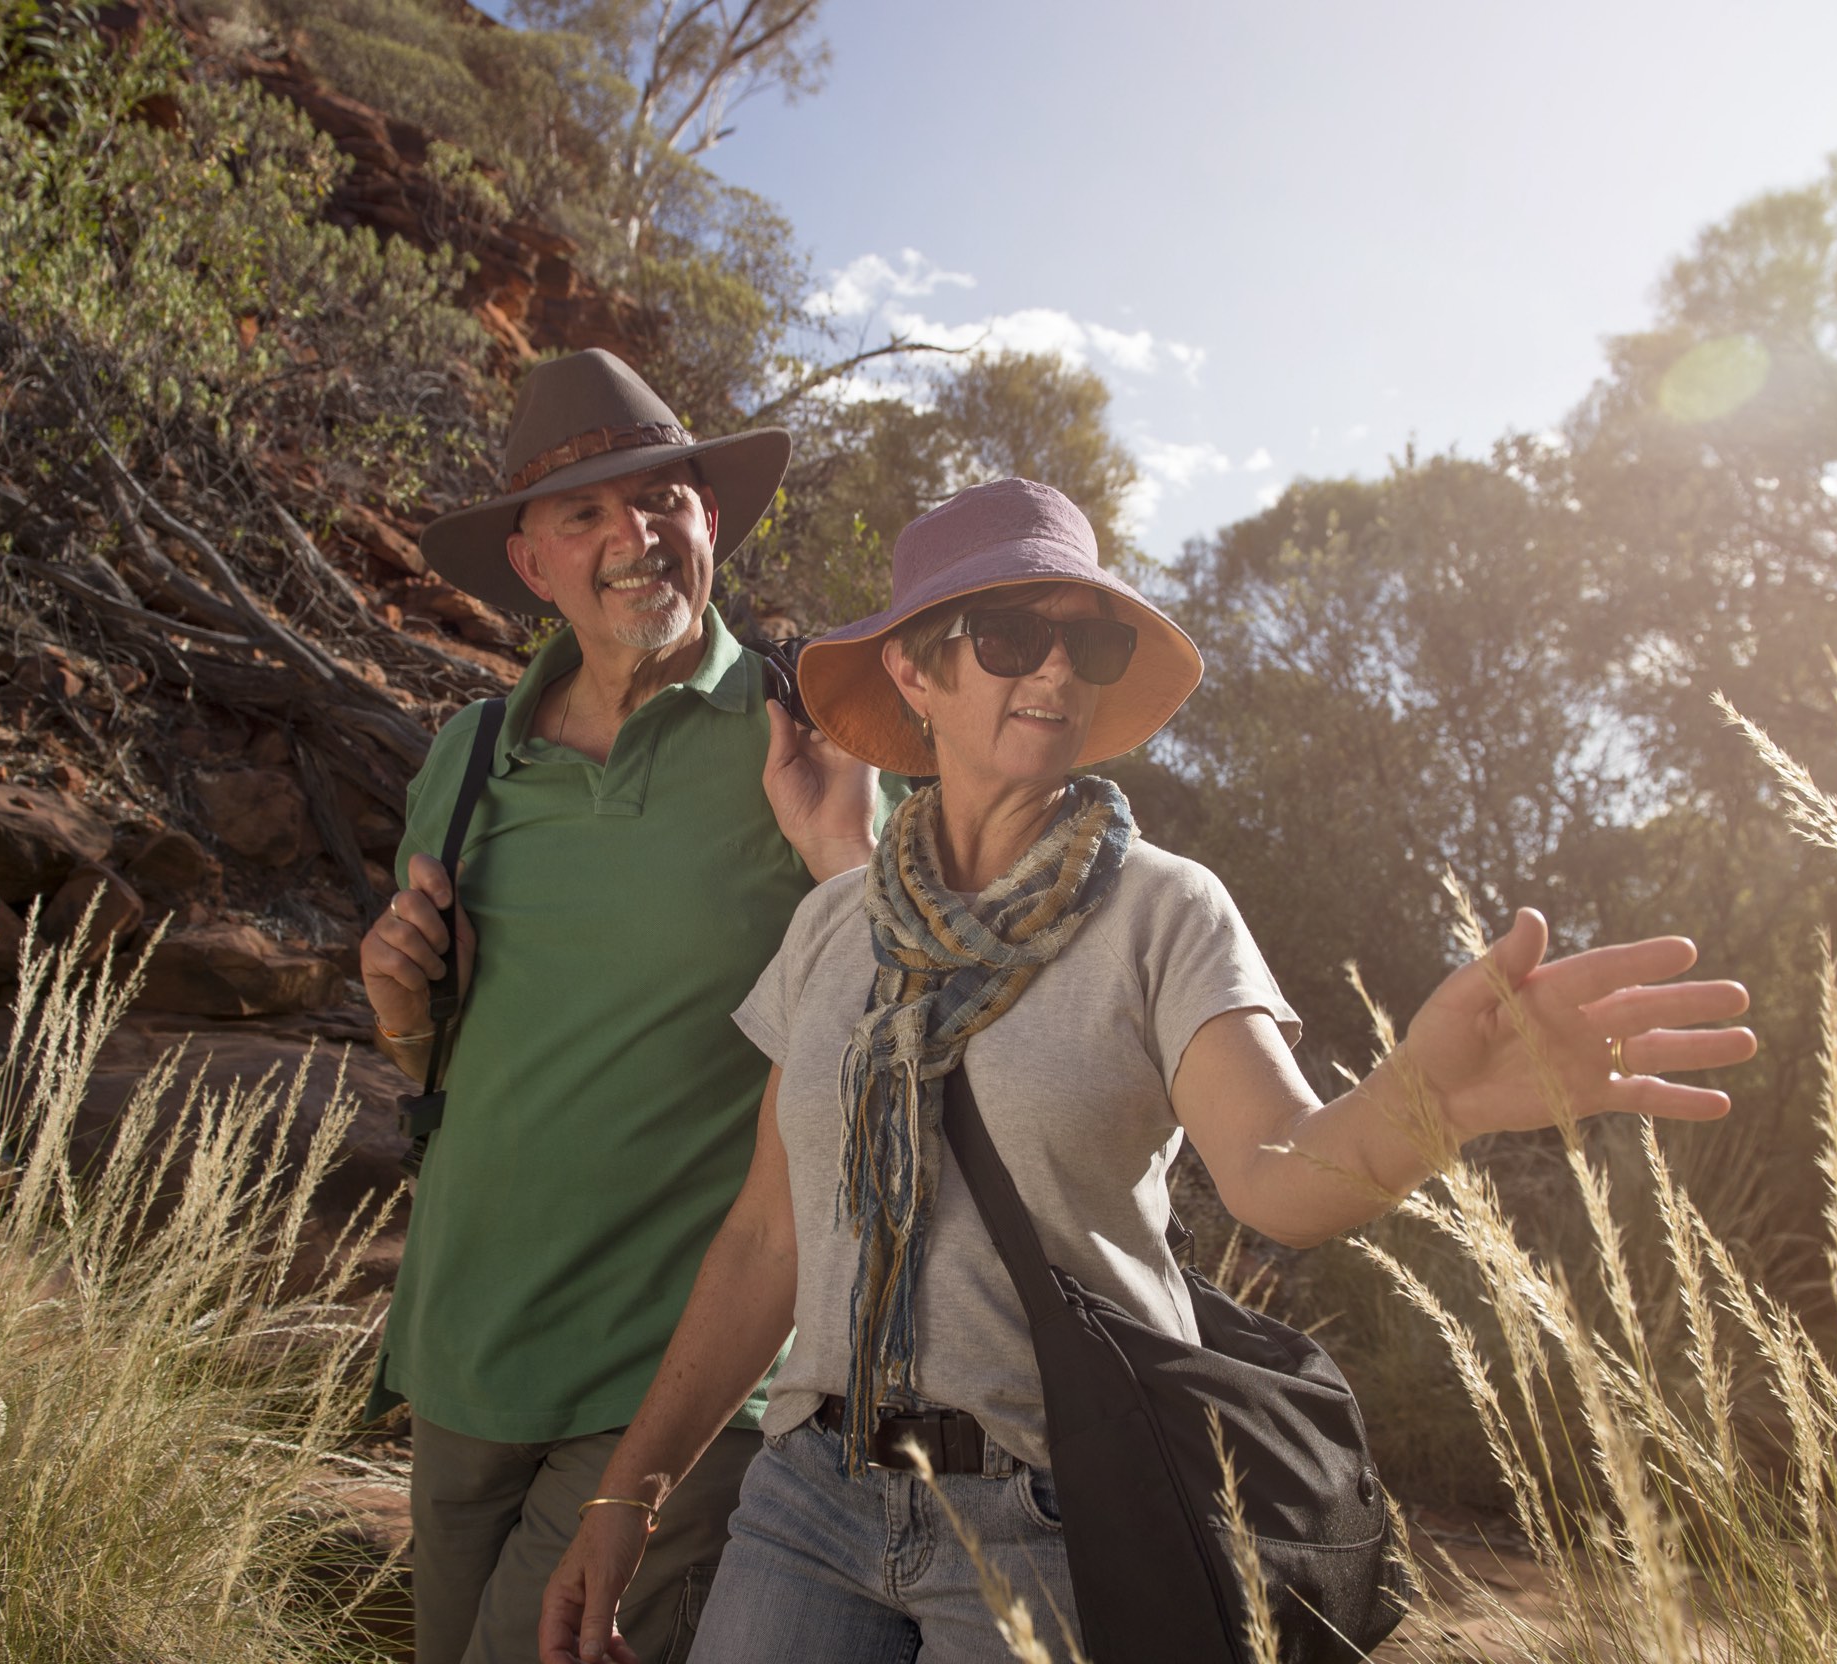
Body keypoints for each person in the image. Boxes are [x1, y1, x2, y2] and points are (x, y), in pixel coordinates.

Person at [538, 478, 1760, 1664]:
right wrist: (626, 1494)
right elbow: (764, 1238)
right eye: (1011, 634)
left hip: (1051, 1520)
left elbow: (1276, 1173)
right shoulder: (832, 927)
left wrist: (1425, 1102)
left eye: (1088, 641)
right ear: (913, 667)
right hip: (808, 1497)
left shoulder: (1165, 911)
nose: (1055, 669)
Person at [358, 349, 878, 1664]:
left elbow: (909, 1014)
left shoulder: (805, 740)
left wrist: (848, 867)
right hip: (466, 1349)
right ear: (530, 562)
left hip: (665, 1388)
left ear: (713, 521)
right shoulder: (467, 758)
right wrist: (401, 1007)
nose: (631, 538)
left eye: (662, 499)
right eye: (585, 512)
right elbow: (443, 1055)